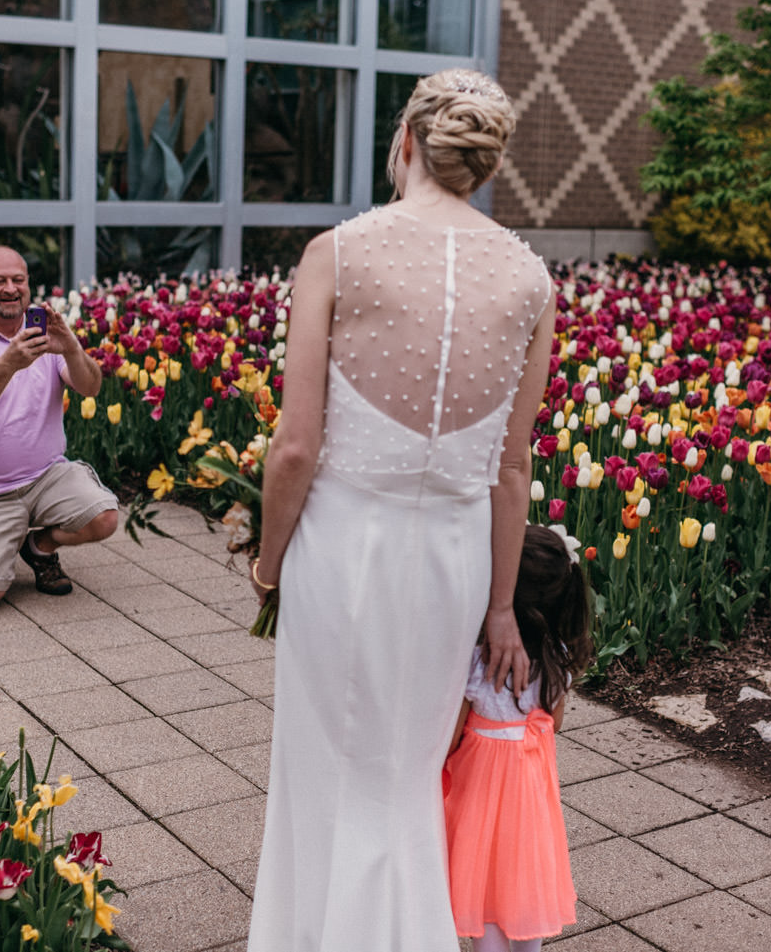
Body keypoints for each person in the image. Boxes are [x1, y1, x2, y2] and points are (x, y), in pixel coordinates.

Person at [246, 69, 555, 950]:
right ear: (482, 164)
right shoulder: (532, 281)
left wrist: (269, 564)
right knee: (406, 781)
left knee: (326, 773)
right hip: (454, 562)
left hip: (343, 550)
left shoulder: (338, 252)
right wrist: (500, 607)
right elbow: (511, 464)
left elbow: (296, 446)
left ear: (407, 142)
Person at [0, 245, 119, 612]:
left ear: (28, 286)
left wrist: (71, 348)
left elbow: (91, 387)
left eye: (18, 280)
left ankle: (38, 547)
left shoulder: (46, 337)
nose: (10, 288)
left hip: (45, 476)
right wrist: (10, 362)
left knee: (104, 517)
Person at [443, 524, 593, 952]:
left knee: (484, 880)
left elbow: (452, 737)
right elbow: (554, 722)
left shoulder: (481, 662)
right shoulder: (560, 658)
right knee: (523, 869)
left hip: (482, 782)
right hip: (530, 782)